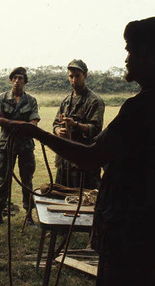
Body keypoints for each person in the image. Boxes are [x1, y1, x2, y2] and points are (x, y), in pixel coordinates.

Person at [12, 17, 155, 286]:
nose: (127, 57)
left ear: (153, 54)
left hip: (129, 240)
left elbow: (92, 157)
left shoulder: (142, 107)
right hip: (149, 237)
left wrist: (35, 133)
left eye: (131, 50)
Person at [0, 67, 40, 229]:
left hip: (26, 146)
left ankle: (29, 216)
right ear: (11, 80)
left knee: (27, 181)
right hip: (7, 145)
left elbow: (33, 124)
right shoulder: (2, 98)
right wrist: (22, 124)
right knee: (3, 180)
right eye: (14, 78)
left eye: (20, 78)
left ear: (25, 81)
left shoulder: (31, 100)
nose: (17, 81)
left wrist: (10, 123)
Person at [52, 59, 105, 189]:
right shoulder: (66, 101)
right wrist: (58, 130)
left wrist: (75, 125)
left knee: (85, 200)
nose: (74, 80)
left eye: (77, 76)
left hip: (83, 160)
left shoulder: (94, 101)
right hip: (64, 161)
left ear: (85, 76)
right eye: (71, 76)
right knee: (61, 197)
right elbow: (55, 124)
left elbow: (95, 129)